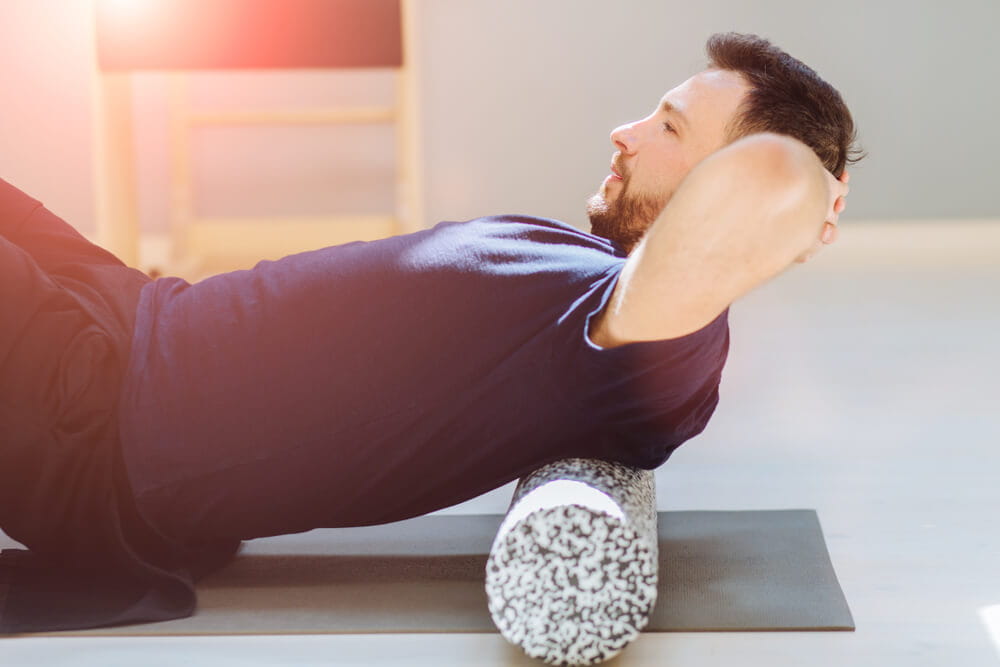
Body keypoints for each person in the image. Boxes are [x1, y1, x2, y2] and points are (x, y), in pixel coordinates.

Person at [0, 32, 861, 633]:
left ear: (729, 190)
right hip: (126, 314)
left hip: (94, 419)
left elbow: (770, 180)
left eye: (669, 127)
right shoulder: (588, 259)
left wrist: (804, 193)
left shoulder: (652, 348)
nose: (626, 131)